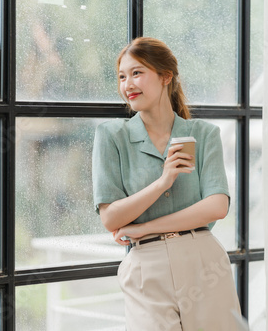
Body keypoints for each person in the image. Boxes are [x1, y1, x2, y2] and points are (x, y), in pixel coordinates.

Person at [92, 37, 241, 331]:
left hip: (204, 260)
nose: (127, 85)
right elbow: (111, 217)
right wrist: (163, 181)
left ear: (165, 77)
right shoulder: (111, 137)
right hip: (146, 265)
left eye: (137, 73)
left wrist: (144, 227)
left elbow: (217, 206)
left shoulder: (203, 133)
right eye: (122, 76)